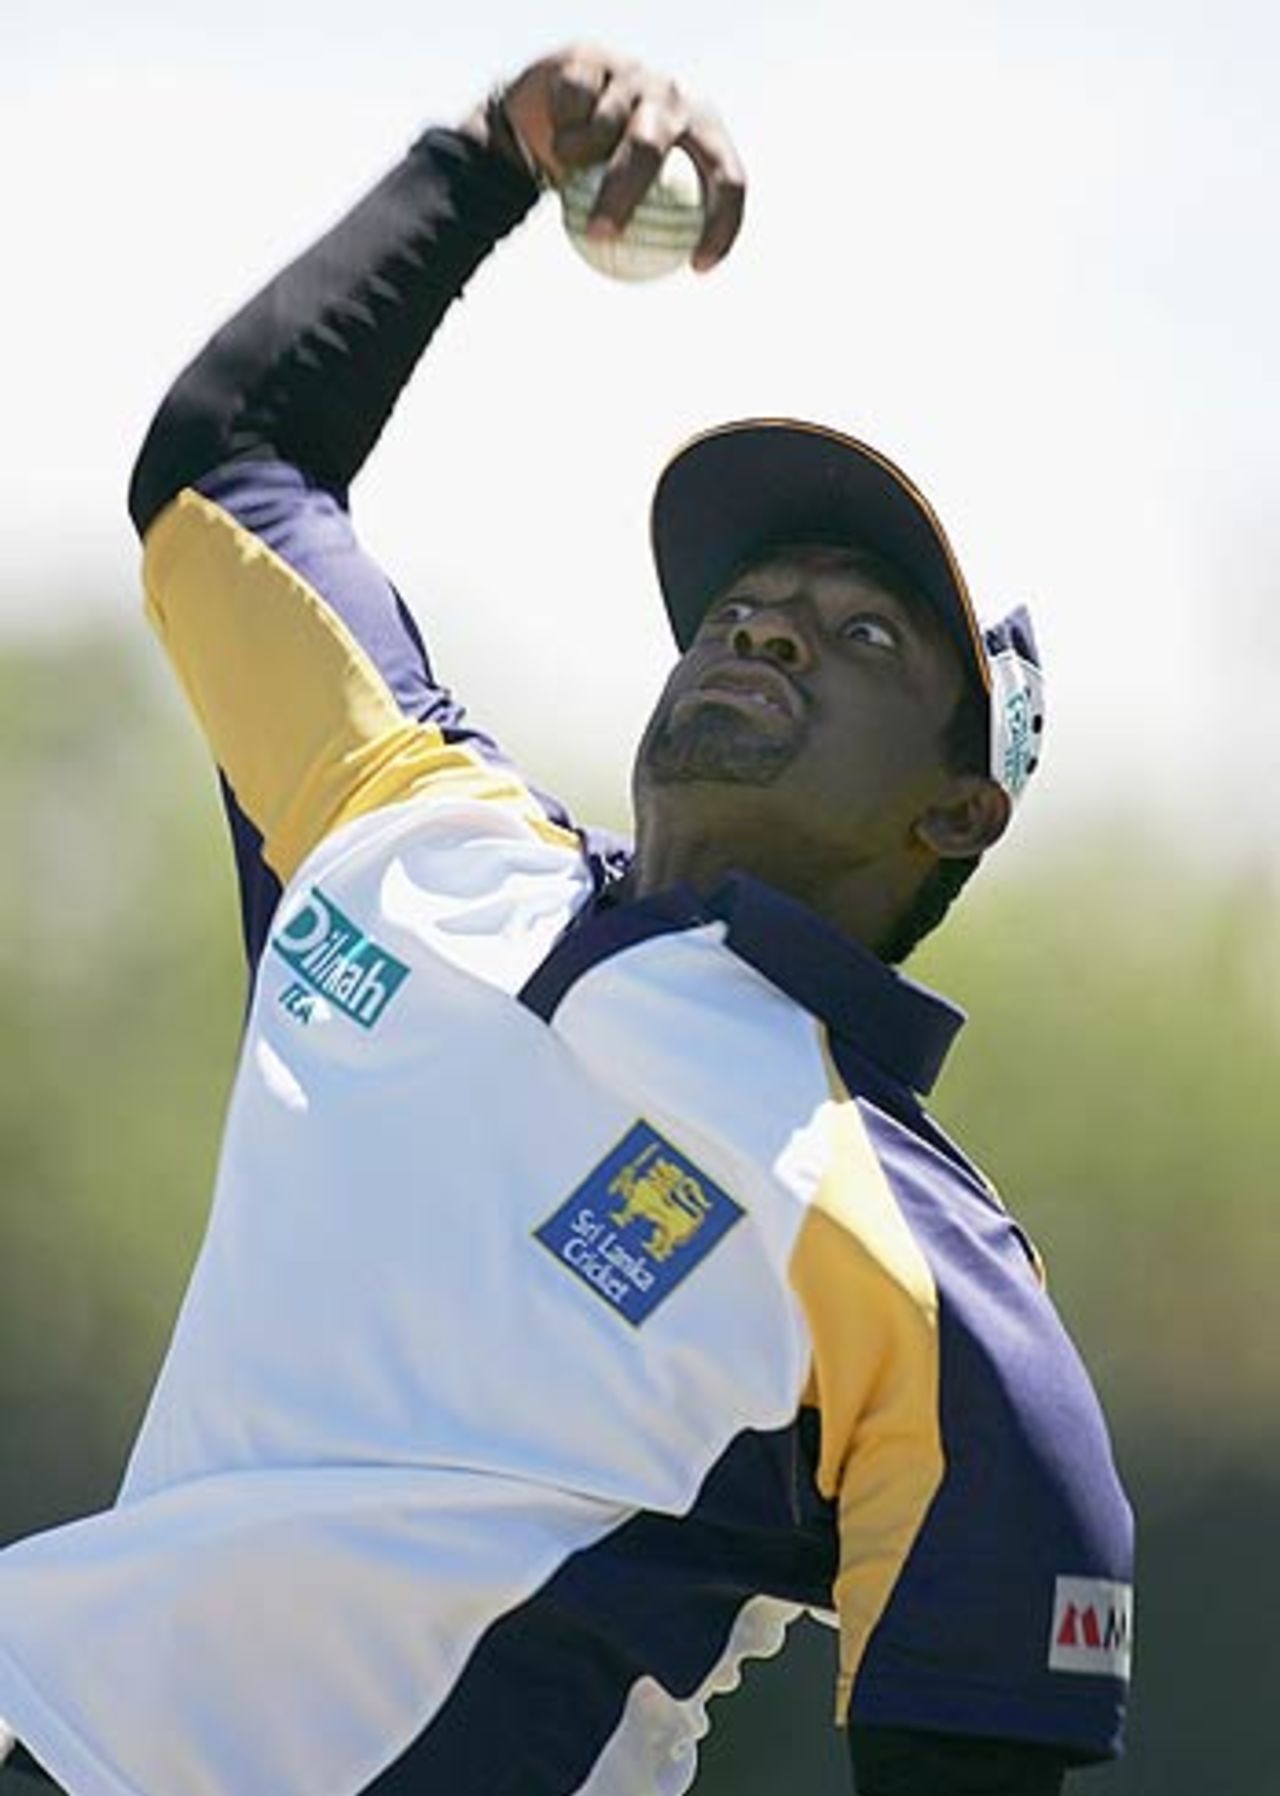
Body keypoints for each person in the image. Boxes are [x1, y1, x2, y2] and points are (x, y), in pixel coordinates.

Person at [0, 44, 1133, 1796]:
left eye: (861, 637)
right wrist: (487, 157)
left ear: (954, 810)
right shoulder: (406, 824)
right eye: (751, 602)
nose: (766, 628)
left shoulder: (901, 1245)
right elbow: (229, 469)